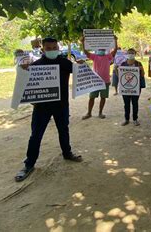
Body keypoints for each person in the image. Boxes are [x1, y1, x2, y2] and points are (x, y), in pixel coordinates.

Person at [15, 38, 83, 182]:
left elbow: (80, 73)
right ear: (43, 50)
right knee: (36, 135)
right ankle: (29, 164)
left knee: (63, 129)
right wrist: (23, 70)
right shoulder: (35, 65)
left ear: (58, 48)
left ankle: (67, 153)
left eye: (54, 47)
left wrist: (81, 66)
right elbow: (26, 84)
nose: (52, 50)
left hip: (61, 105)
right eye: (48, 48)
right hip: (41, 107)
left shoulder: (65, 63)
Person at [81, 36, 118, 120]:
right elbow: (86, 52)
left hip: (105, 81)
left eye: (103, 48)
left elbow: (115, 51)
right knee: (91, 97)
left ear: (105, 49)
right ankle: (89, 113)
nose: (101, 49)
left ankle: (100, 113)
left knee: (103, 97)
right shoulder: (94, 56)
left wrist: (115, 40)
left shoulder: (108, 56)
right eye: (99, 48)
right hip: (95, 81)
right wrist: (83, 42)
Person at [120, 48, 145, 126]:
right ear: (127, 54)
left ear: (135, 54)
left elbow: (142, 75)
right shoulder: (123, 64)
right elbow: (120, 76)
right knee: (126, 104)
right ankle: (126, 119)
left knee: (135, 103)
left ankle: (135, 119)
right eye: (129, 53)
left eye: (132, 53)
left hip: (136, 88)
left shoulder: (138, 64)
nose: (131, 54)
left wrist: (142, 69)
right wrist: (117, 70)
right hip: (125, 88)